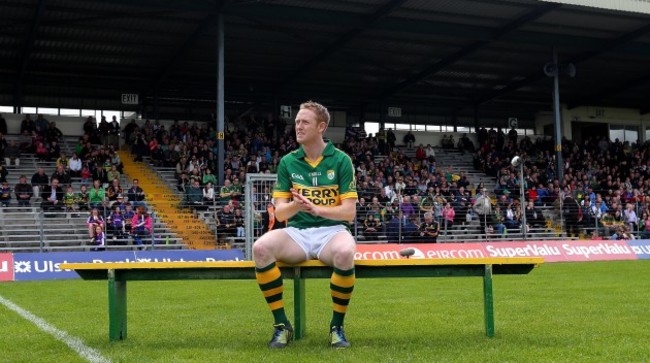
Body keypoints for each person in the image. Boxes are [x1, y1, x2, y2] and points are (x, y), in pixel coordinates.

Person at [252, 101, 358, 349]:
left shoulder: (341, 160)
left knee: (345, 253)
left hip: (332, 232)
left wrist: (316, 208)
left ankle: (337, 327)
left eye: (304, 122)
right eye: (297, 122)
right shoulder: (288, 162)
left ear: (321, 127)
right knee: (260, 248)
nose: (298, 126)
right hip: (297, 233)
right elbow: (279, 213)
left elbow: (349, 213)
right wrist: (298, 206)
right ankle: (281, 325)